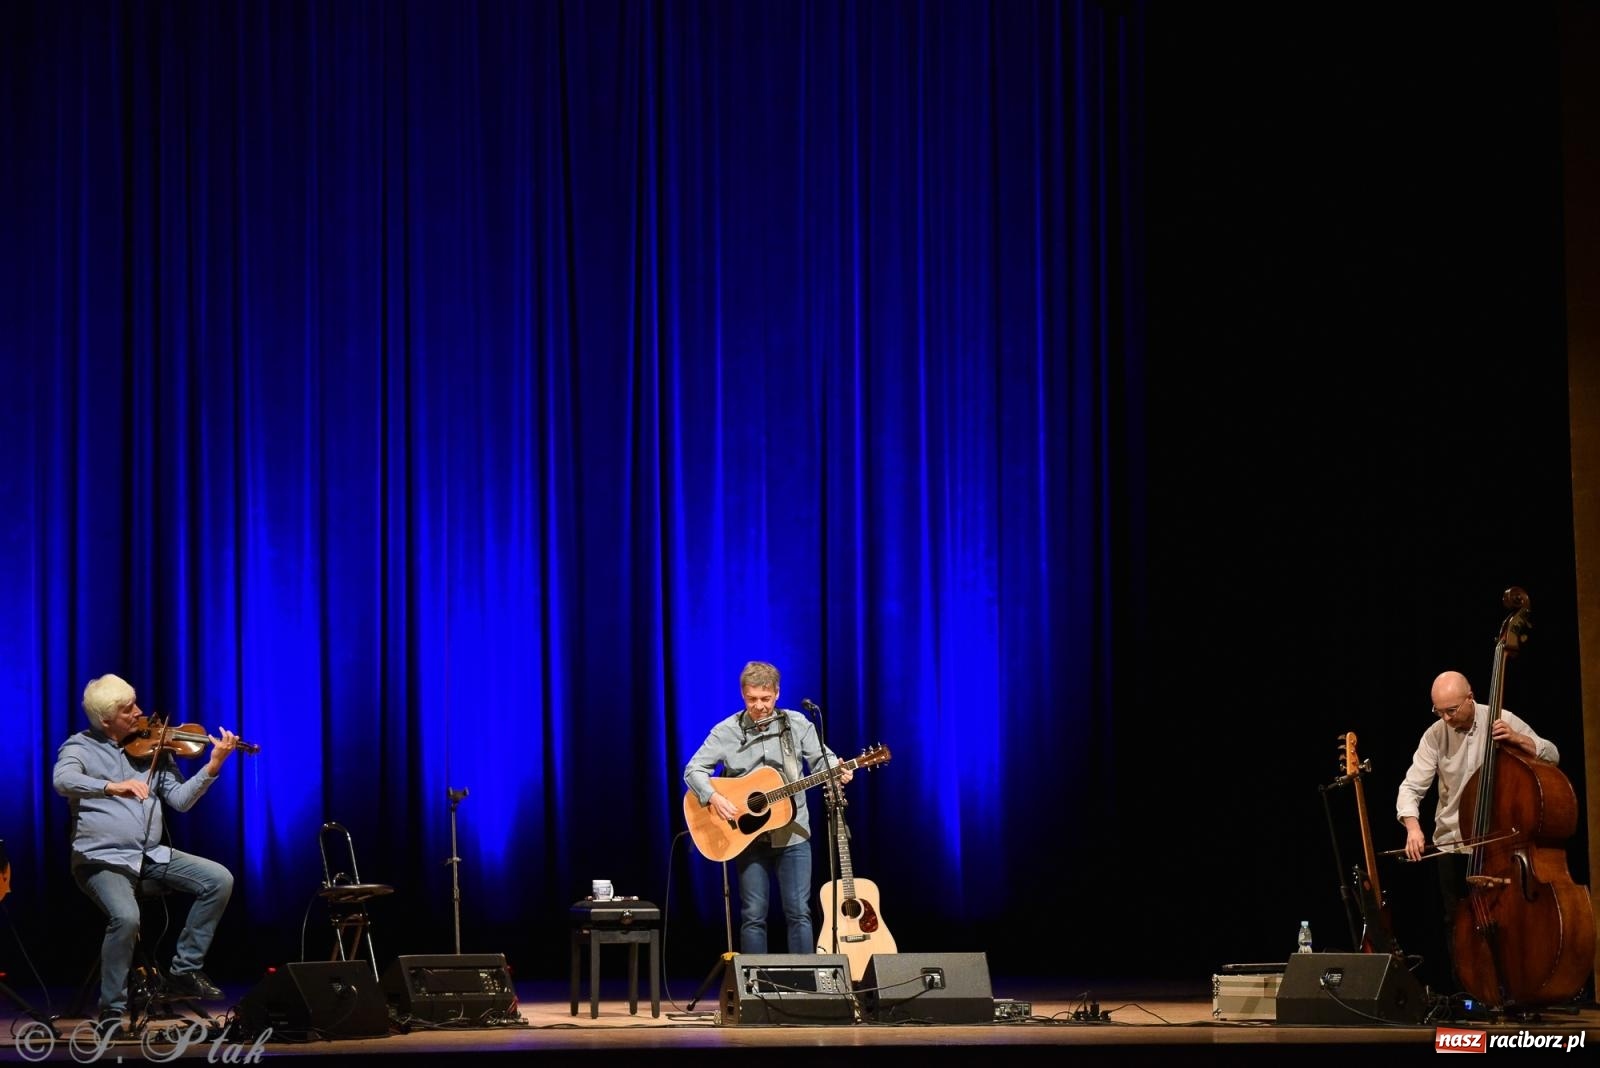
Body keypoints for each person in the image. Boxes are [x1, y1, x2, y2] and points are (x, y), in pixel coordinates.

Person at [53, 674, 240, 1032]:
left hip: (148, 854)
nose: (139, 713)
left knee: (219, 879)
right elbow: (62, 781)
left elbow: (180, 801)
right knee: (126, 918)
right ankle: (111, 1013)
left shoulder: (152, 748)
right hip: (101, 859)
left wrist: (213, 765)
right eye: (128, 710)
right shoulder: (79, 747)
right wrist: (112, 786)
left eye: (135, 703)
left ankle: (184, 970)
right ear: (106, 720)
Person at [1395, 669, 1559, 984]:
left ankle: (1514, 984)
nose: (1445, 718)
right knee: (1459, 924)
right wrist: (1413, 827)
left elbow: (1552, 755)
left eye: (1451, 710)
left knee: (1509, 918)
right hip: (1453, 843)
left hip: (1499, 844)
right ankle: (1468, 991)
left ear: (1470, 698)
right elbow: (1411, 787)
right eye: (1438, 711)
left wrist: (1518, 739)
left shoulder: (1501, 719)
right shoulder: (1435, 735)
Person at [683, 661, 851, 954]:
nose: (759, 706)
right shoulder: (726, 731)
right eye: (752, 699)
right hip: (747, 837)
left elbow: (821, 761)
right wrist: (713, 797)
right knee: (753, 915)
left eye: (766, 698)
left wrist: (837, 771)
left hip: (793, 834)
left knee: (799, 912)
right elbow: (693, 770)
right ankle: (756, 979)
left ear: (777, 693)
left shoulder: (797, 724)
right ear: (743, 694)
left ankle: (804, 979)